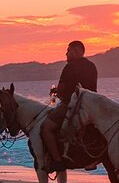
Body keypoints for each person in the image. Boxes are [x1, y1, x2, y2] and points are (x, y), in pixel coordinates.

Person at [41, 40, 98, 173]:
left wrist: (56, 93)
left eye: (68, 51)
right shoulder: (92, 66)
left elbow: (61, 91)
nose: (66, 54)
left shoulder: (70, 67)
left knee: (46, 127)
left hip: (72, 106)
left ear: (77, 51)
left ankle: (57, 161)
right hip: (91, 106)